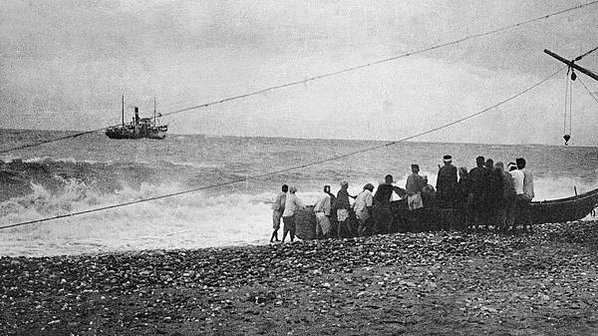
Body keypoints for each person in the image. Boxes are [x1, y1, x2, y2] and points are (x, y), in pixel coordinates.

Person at [468, 156, 491, 229]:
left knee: (475, 209)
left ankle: (474, 224)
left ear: (476, 162)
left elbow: (469, 183)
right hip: (485, 193)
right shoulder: (487, 171)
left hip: (475, 192)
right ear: (483, 162)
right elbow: (489, 183)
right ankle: (486, 224)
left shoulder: (473, 171)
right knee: (485, 209)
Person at [496, 162, 516, 231]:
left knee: (502, 210)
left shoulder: (500, 176)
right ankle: (507, 225)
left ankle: (502, 225)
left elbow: (500, 187)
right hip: (511, 194)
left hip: (504, 195)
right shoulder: (508, 174)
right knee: (509, 211)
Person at [406, 164, 425, 231]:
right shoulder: (419, 177)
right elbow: (422, 187)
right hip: (416, 195)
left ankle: (411, 228)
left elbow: (406, 187)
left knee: (411, 213)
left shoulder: (409, 177)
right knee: (417, 212)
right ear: (418, 169)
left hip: (409, 196)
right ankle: (417, 228)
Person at [517, 157, 534, 231]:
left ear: (521, 164)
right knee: (526, 210)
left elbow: (520, 184)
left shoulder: (520, 173)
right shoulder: (529, 172)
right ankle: (526, 226)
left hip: (524, 194)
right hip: (530, 194)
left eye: (518, 164)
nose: (517, 165)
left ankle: (529, 227)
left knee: (522, 210)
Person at [485, 158, 503, 229]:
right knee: (497, 210)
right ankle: (497, 224)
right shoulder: (499, 175)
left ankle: (491, 224)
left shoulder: (489, 173)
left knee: (490, 210)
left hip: (491, 195)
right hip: (497, 195)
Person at [509, 161, 525, 231]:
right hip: (521, 193)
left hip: (514, 194)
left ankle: (511, 226)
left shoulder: (510, 174)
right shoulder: (521, 173)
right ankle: (516, 225)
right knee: (518, 210)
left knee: (512, 210)